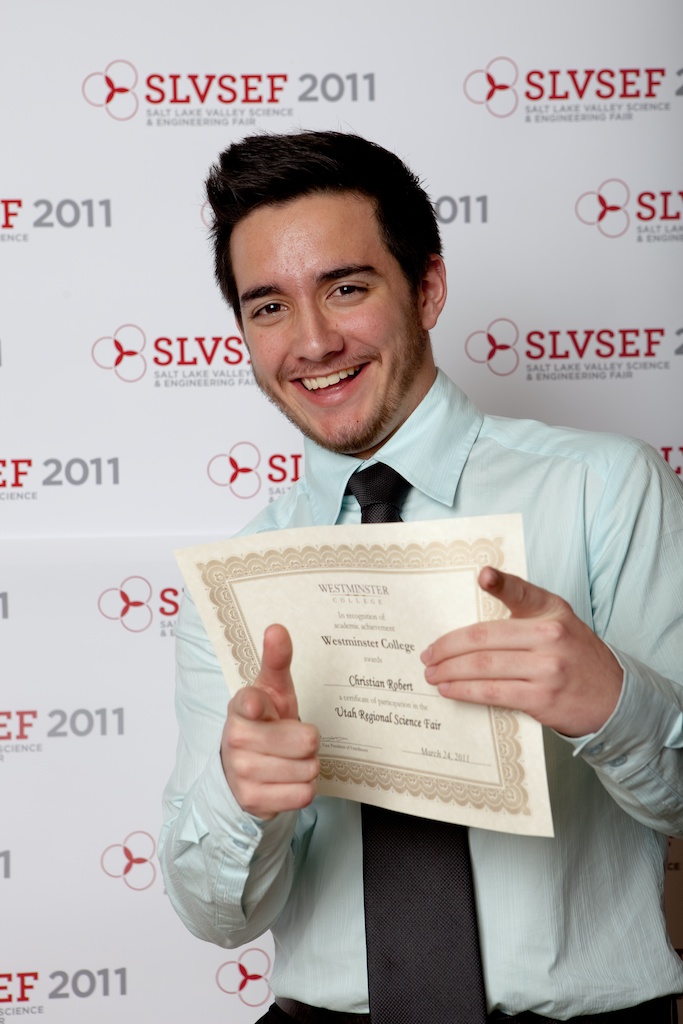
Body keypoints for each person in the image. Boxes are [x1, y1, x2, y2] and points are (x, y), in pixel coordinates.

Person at [159, 130, 683, 1023]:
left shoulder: (604, 487)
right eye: (269, 306)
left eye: (346, 288)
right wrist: (242, 798)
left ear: (428, 288)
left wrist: (611, 702)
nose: (313, 341)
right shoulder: (237, 577)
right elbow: (217, 919)